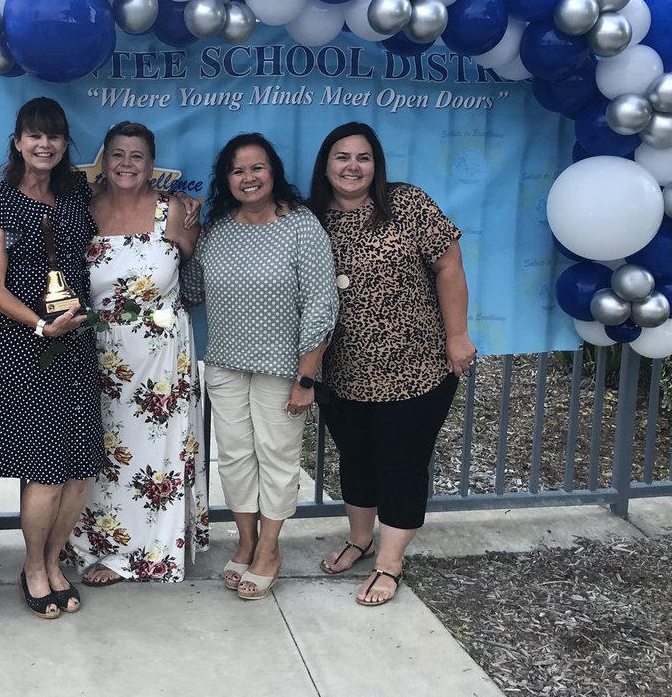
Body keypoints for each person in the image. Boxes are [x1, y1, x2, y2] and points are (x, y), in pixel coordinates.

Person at [307, 121, 476, 606]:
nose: (352, 166)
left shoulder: (406, 203)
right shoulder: (312, 219)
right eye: (342, 157)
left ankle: (390, 562)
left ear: (376, 165)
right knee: (356, 460)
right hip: (344, 372)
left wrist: (457, 335)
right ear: (326, 164)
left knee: (402, 465)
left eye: (363, 157)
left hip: (417, 369)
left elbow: (450, 265)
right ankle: (360, 541)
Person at [182, 132, 337, 601]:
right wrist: (186, 236)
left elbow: (321, 304)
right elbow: (192, 291)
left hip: (284, 369)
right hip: (227, 365)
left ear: (274, 172)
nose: (248, 178)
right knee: (232, 458)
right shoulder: (218, 230)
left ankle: (270, 548)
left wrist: (306, 376)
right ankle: (246, 542)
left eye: (257, 167)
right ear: (225, 180)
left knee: (276, 457)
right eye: (237, 170)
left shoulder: (302, 226)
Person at [0, 97, 101, 620]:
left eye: (55, 136)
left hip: (76, 345)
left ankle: (52, 558)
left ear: (65, 145)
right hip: (24, 348)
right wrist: (42, 325)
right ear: (18, 141)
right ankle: (34, 568)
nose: (44, 145)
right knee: (44, 467)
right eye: (34, 136)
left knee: (79, 466)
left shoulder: (75, 198)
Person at [71, 121, 210, 586]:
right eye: (117, 154)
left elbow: (193, 263)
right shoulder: (84, 212)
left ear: (151, 164)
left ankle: (146, 553)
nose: (126, 164)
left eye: (136, 155)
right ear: (103, 162)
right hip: (97, 352)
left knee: (157, 453)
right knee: (106, 452)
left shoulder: (173, 213)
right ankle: (101, 546)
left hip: (162, 356)